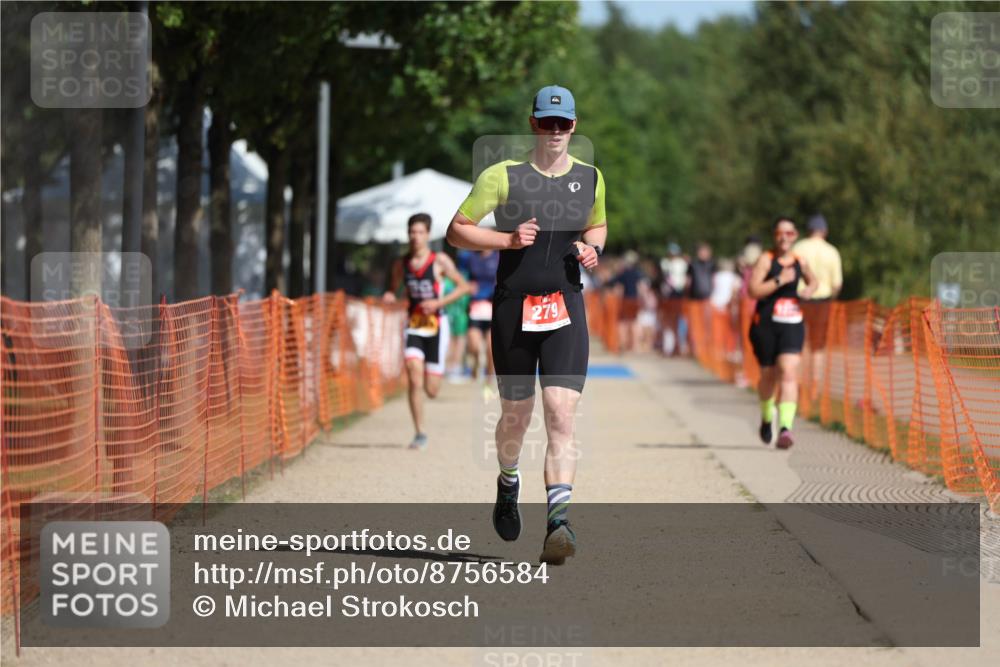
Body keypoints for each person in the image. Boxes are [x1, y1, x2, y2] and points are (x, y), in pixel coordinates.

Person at [447, 84, 605, 565]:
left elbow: (597, 224)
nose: (555, 131)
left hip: (565, 308)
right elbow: (456, 231)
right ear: (533, 124)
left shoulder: (590, 177)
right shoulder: (503, 176)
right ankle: (508, 479)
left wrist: (592, 247)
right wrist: (507, 240)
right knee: (516, 417)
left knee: (560, 413)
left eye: (564, 123)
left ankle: (559, 522)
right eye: (547, 122)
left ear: (573, 126)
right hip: (514, 308)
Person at [384, 213, 470, 450]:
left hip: (436, 326)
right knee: (413, 375)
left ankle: (431, 382)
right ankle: (419, 432)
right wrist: (391, 294)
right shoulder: (401, 264)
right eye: (412, 232)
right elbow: (394, 287)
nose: (415, 237)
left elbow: (464, 287)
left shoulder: (439, 261)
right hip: (413, 324)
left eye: (420, 232)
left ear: (428, 235)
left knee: (431, 390)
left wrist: (439, 303)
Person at [747, 217, 818, 449]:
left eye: (789, 233)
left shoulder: (800, 261)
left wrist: (809, 289)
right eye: (780, 233)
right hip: (766, 324)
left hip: (792, 322)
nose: (784, 238)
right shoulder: (766, 261)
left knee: (788, 372)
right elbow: (753, 290)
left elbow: (814, 280)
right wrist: (780, 280)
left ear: (795, 236)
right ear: (774, 235)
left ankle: (786, 428)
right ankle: (767, 417)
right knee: (768, 376)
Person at [792, 214, 843, 398]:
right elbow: (837, 284)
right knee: (817, 346)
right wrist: (832, 298)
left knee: (799, 343)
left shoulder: (798, 248)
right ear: (825, 231)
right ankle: (814, 386)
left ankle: (796, 381)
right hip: (823, 301)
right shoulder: (832, 251)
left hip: (800, 300)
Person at [460, 249, 500, 381]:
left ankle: (489, 378)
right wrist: (466, 285)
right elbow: (457, 275)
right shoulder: (469, 256)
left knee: (491, 349)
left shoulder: (498, 256)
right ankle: (476, 364)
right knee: (474, 345)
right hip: (475, 307)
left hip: (492, 306)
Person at [610, 250, 644, 352]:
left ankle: (623, 344)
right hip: (635, 299)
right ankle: (635, 345)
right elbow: (640, 287)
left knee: (623, 322)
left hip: (626, 299)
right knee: (634, 322)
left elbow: (618, 288)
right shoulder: (637, 273)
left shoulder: (623, 274)